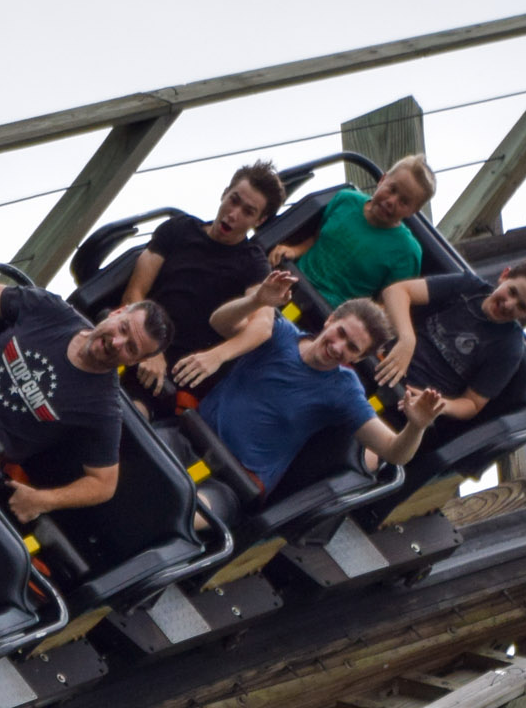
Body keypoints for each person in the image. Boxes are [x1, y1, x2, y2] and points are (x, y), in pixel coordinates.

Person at [0, 279, 163, 523]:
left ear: (134, 362)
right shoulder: (54, 312)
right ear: (117, 313)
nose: (117, 342)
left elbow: (104, 483)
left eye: (130, 348)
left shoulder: (104, 407)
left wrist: (43, 500)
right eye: (123, 328)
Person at [176, 273, 447, 493]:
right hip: (192, 435)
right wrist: (256, 300)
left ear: (359, 357)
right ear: (330, 321)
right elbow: (220, 322)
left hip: (231, 480)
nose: (338, 346)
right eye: (340, 333)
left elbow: (393, 451)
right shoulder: (281, 334)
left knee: (176, 502)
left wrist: (416, 426)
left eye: (351, 347)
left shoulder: (345, 390)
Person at [120, 162, 284, 388]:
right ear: (224, 193)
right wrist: (152, 348)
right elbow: (134, 293)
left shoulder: (253, 264)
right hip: (139, 337)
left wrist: (217, 356)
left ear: (259, 221)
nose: (233, 214)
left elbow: (263, 326)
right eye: (233, 200)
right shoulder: (179, 228)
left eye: (248, 212)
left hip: (177, 371)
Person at [271, 156, 435, 325]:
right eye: (392, 189)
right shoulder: (345, 200)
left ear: (413, 211)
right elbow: (319, 238)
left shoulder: (407, 252)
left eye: (404, 202)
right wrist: (294, 250)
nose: (392, 201)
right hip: (291, 284)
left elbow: (386, 305)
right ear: (383, 179)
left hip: (327, 318)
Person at [388, 255, 526, 408]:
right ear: (504, 276)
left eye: (522, 307)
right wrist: (406, 339)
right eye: (512, 292)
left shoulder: (509, 347)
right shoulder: (469, 287)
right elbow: (397, 291)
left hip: (413, 401)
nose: (509, 304)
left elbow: (472, 403)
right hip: (390, 361)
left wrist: (438, 405)